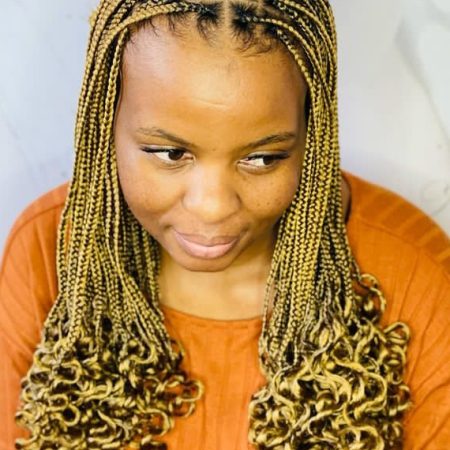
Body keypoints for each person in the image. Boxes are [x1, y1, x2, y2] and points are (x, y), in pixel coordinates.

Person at [0, 0, 449, 449]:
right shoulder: (49, 250)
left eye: (263, 158)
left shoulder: (416, 276)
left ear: (311, 130)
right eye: (170, 153)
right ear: (104, 121)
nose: (212, 206)